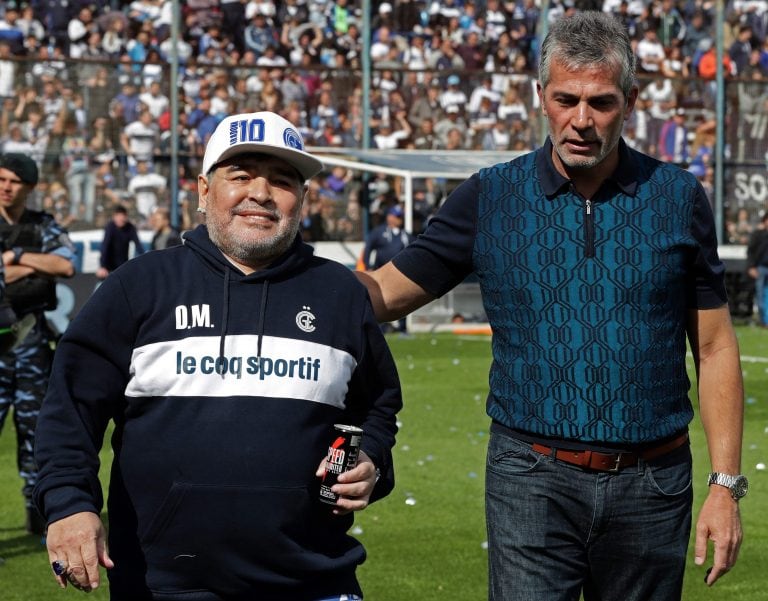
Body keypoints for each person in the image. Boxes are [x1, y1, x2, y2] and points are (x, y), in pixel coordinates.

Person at [356, 12, 745, 600]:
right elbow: (386, 292)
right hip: (529, 479)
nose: (582, 121)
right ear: (541, 97)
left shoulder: (678, 197)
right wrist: (283, 272)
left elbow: (714, 347)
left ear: (631, 101)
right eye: (566, 99)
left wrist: (725, 486)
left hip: (654, 484)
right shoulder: (490, 196)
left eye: (602, 102)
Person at [33, 111, 402, 599]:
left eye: (283, 180)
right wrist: (68, 504)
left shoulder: (340, 293)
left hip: (315, 580)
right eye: (242, 175)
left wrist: (372, 461)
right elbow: (70, 409)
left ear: (304, 198)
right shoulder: (138, 286)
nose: (262, 193)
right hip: (163, 585)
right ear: (204, 192)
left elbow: (378, 406)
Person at [0, 153, 76, 536]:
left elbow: (65, 266)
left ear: (28, 187)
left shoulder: (43, 225)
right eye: (1, 179)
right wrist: (36, 265)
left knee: (35, 432)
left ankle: (37, 511)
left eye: (14, 181)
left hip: (30, 341)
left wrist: (13, 258)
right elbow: (51, 265)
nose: (5, 187)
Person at [362, 205, 414, 335]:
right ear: (389, 217)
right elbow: (368, 248)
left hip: (401, 272)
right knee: (380, 299)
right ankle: (380, 328)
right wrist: (367, 266)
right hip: (381, 272)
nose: (399, 219)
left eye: (400, 217)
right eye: (396, 217)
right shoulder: (379, 232)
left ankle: (402, 327)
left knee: (404, 298)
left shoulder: (405, 235)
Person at [96, 205, 145, 280]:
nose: (121, 219)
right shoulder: (110, 227)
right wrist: (102, 266)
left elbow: (138, 246)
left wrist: (145, 261)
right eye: (118, 217)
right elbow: (105, 246)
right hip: (108, 266)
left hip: (122, 265)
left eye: (123, 217)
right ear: (114, 217)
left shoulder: (130, 228)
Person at [746, 211, 768, 327]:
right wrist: (751, 267)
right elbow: (751, 252)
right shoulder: (758, 235)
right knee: (760, 295)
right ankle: (764, 321)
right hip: (761, 268)